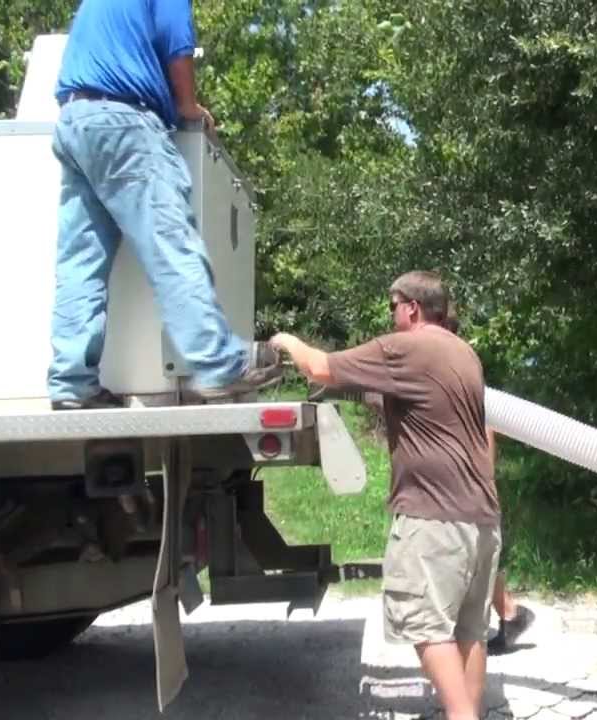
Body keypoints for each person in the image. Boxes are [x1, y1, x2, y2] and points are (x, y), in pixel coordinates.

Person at [271, 271, 500, 720]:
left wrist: (285, 341)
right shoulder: (463, 352)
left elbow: (319, 367)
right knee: (469, 630)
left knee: (427, 626)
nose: (391, 315)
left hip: (434, 518)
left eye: (393, 306)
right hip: (481, 515)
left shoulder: (406, 347)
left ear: (411, 307)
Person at [46, 0, 281, 410]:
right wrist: (188, 107)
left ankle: (72, 382)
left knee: (80, 261)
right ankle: (218, 362)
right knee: (172, 244)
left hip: (75, 120)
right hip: (124, 122)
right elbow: (176, 43)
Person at [436, 311, 535, 655]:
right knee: (474, 552)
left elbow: (485, 422)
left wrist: (482, 476)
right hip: (453, 478)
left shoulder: (458, 364)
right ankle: (510, 613)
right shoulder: (444, 362)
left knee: (471, 551)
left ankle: (505, 614)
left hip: (468, 480)